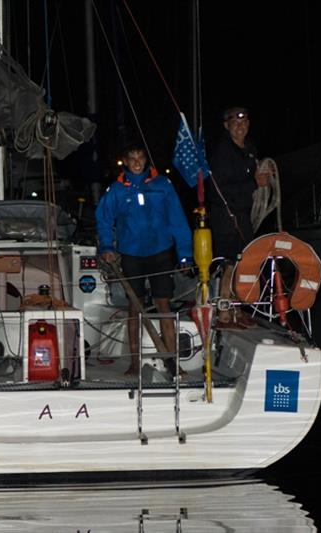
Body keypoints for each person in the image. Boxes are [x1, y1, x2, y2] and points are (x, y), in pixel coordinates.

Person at [95, 142, 193, 375]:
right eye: (133, 158)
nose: (137, 162)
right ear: (126, 162)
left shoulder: (162, 185)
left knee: (164, 306)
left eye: (141, 157)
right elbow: (104, 219)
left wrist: (185, 254)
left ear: (146, 160)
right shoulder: (117, 190)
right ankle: (134, 362)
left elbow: (177, 219)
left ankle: (173, 363)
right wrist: (107, 246)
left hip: (160, 253)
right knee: (134, 308)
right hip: (131, 254)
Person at [207, 106, 271, 323]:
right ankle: (224, 310)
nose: (240, 127)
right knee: (230, 262)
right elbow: (219, 188)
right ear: (227, 126)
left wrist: (261, 178)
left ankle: (236, 307)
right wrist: (253, 183)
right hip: (226, 214)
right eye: (235, 123)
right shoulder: (222, 152)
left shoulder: (250, 148)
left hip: (244, 213)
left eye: (243, 122)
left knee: (243, 260)